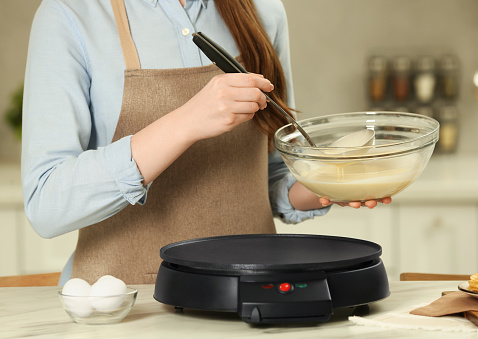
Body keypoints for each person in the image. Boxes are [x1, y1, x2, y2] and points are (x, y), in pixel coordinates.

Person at [22, 0, 391, 286]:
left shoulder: (263, 11)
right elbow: (46, 204)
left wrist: (330, 183)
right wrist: (186, 122)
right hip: (123, 306)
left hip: (247, 298)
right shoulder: (72, 15)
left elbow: (268, 176)